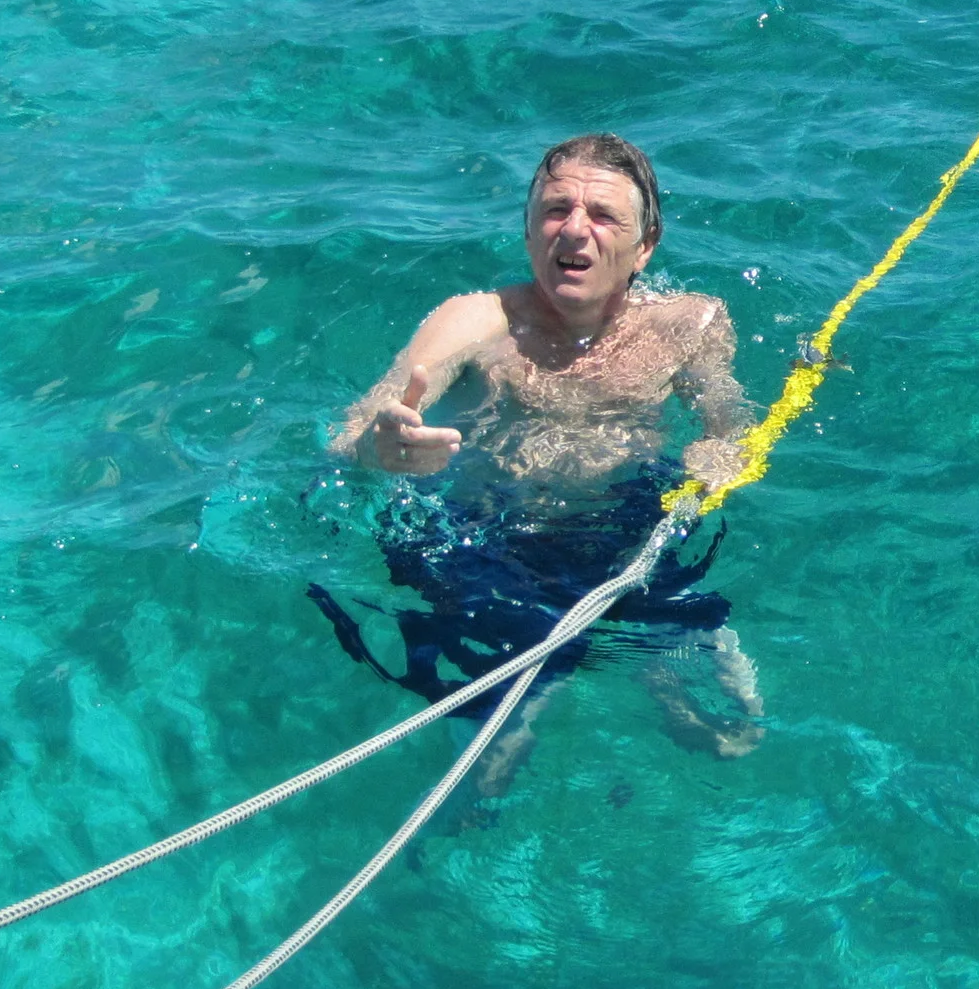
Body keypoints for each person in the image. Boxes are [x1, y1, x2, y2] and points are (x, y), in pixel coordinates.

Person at [311, 133, 766, 787]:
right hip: (491, 539)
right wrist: (376, 447)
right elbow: (357, 425)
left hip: (627, 525)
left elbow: (731, 423)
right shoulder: (475, 322)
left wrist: (719, 455)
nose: (574, 230)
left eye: (602, 215)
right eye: (555, 210)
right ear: (528, 232)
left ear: (644, 248)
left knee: (735, 731)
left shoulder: (689, 326)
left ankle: (633, 666)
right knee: (492, 763)